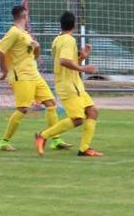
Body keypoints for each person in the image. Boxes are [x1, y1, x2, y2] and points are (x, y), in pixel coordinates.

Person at [0, 5, 69, 152]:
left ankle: (56, 139)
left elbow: (34, 56)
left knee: (50, 103)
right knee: (23, 109)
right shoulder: (14, 32)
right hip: (21, 75)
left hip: (34, 74)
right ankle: (4, 141)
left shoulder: (26, 34)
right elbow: (0, 51)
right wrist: (4, 71)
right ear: (24, 16)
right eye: (27, 15)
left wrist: (37, 47)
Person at [35, 12, 103, 157]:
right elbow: (63, 61)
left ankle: (84, 149)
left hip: (75, 84)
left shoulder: (58, 39)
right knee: (77, 119)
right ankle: (43, 135)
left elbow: (67, 61)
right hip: (68, 85)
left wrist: (81, 57)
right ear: (74, 25)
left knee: (92, 112)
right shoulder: (68, 40)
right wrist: (83, 68)